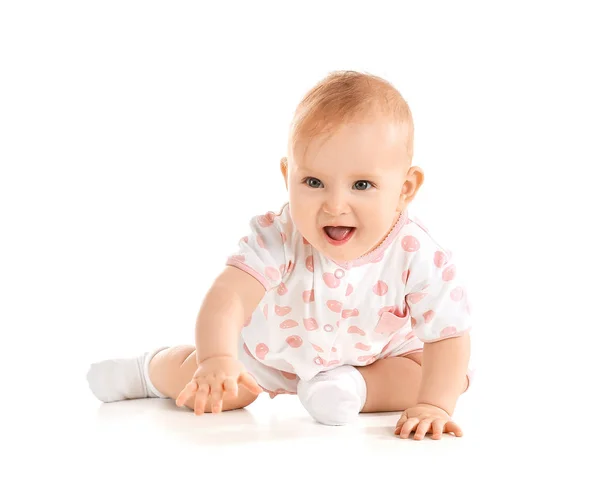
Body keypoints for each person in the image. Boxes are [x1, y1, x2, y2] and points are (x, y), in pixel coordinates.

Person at [87, 70, 474, 441]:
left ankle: (351, 387)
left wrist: (435, 405)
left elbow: (448, 334)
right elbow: (230, 296)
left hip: (379, 359)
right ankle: (146, 372)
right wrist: (216, 359)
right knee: (223, 386)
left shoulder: (420, 255)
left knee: (434, 374)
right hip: (270, 353)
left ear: (406, 188)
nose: (335, 204)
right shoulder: (280, 235)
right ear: (287, 174)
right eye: (313, 182)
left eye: (362, 184)